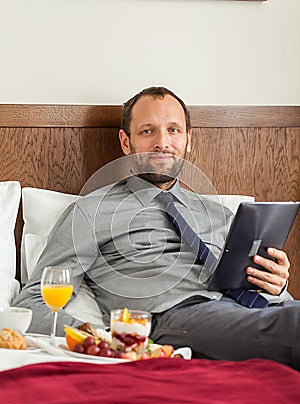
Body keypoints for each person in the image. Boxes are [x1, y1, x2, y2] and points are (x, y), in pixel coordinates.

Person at [12, 87, 300, 369]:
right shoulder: (91, 212)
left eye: (173, 130)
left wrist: (277, 283)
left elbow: (275, 294)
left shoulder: (222, 214)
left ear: (188, 140)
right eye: (148, 131)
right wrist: (107, 340)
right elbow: (36, 301)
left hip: (254, 310)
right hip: (173, 317)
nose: (163, 143)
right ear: (126, 143)